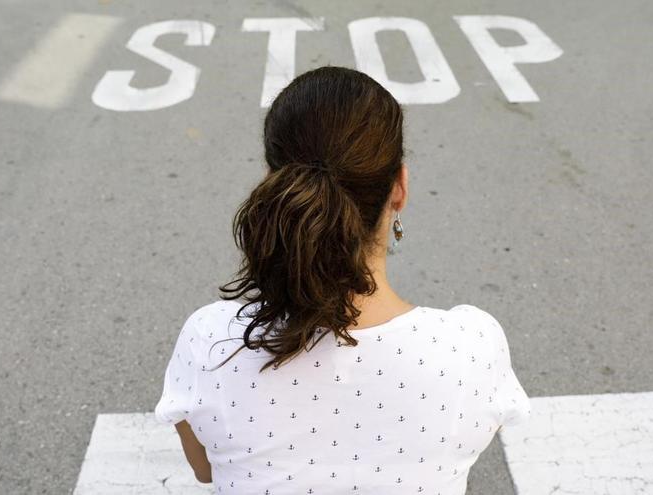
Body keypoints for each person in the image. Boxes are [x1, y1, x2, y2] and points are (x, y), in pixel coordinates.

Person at [154, 66, 531, 494]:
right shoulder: (472, 348)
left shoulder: (210, 342)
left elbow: (205, 471)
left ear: (271, 184)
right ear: (399, 188)